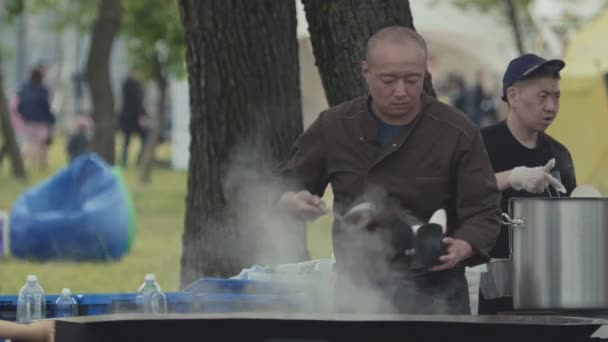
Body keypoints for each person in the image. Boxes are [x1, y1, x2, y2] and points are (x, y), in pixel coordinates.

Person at [276, 26, 500, 314]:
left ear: (425, 74)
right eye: (388, 80)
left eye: (412, 80)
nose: (401, 91)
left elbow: (484, 209)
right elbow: (286, 182)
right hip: (359, 294)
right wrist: (291, 199)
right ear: (366, 72)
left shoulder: (457, 131)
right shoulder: (334, 126)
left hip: (437, 295)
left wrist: (465, 245)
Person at [478, 53, 577, 314]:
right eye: (542, 96)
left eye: (556, 97)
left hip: (547, 284)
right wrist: (512, 177)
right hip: (493, 279)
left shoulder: (559, 155)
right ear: (513, 96)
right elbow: (459, 191)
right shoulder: (481, 144)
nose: (551, 107)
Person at [17, 65, 56, 170]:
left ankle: (34, 164)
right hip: (41, 121)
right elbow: (47, 106)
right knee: (41, 144)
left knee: (31, 142)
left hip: (28, 120)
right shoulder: (43, 89)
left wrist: (24, 115)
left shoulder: (24, 88)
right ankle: (41, 165)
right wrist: (51, 119)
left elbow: (19, 105)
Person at [119, 69, 148, 167]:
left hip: (127, 118)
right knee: (144, 139)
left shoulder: (126, 84)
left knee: (126, 142)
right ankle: (138, 160)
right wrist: (142, 115)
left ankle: (124, 161)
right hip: (134, 119)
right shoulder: (135, 85)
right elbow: (137, 103)